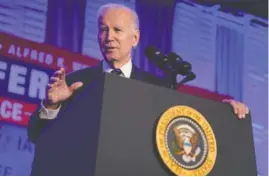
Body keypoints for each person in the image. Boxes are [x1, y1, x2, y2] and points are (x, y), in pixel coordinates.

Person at [27, 3, 249, 144]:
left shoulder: (156, 87)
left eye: (117, 30)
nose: (109, 37)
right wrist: (52, 106)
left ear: (135, 38)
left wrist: (225, 113)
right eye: (103, 30)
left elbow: (183, 127)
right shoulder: (75, 83)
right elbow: (36, 136)